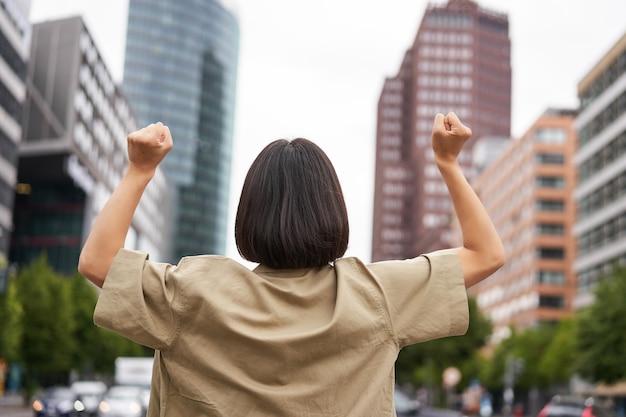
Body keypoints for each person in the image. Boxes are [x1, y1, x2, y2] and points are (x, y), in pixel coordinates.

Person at [78, 112, 505, 416]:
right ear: (332, 211)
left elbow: (98, 262)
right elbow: (487, 254)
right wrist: (447, 163)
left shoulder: (192, 292)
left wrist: (139, 171)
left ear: (248, 214)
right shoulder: (377, 294)